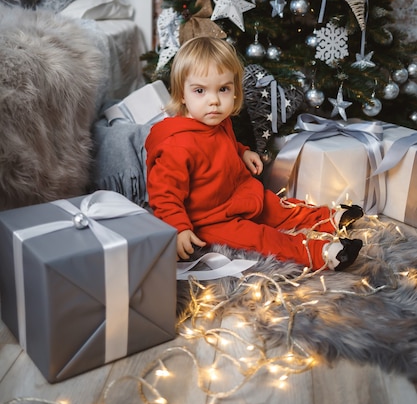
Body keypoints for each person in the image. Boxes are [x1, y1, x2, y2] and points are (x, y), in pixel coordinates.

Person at [145, 36, 364, 272]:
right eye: (200, 90)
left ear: (235, 90)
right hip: (210, 220)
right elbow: (164, 195)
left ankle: (327, 218)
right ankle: (320, 253)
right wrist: (179, 228)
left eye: (224, 89)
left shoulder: (217, 121)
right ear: (182, 95)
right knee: (261, 238)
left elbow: (222, 144)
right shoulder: (176, 145)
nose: (214, 101)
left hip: (238, 195)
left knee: (277, 207)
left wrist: (243, 152)